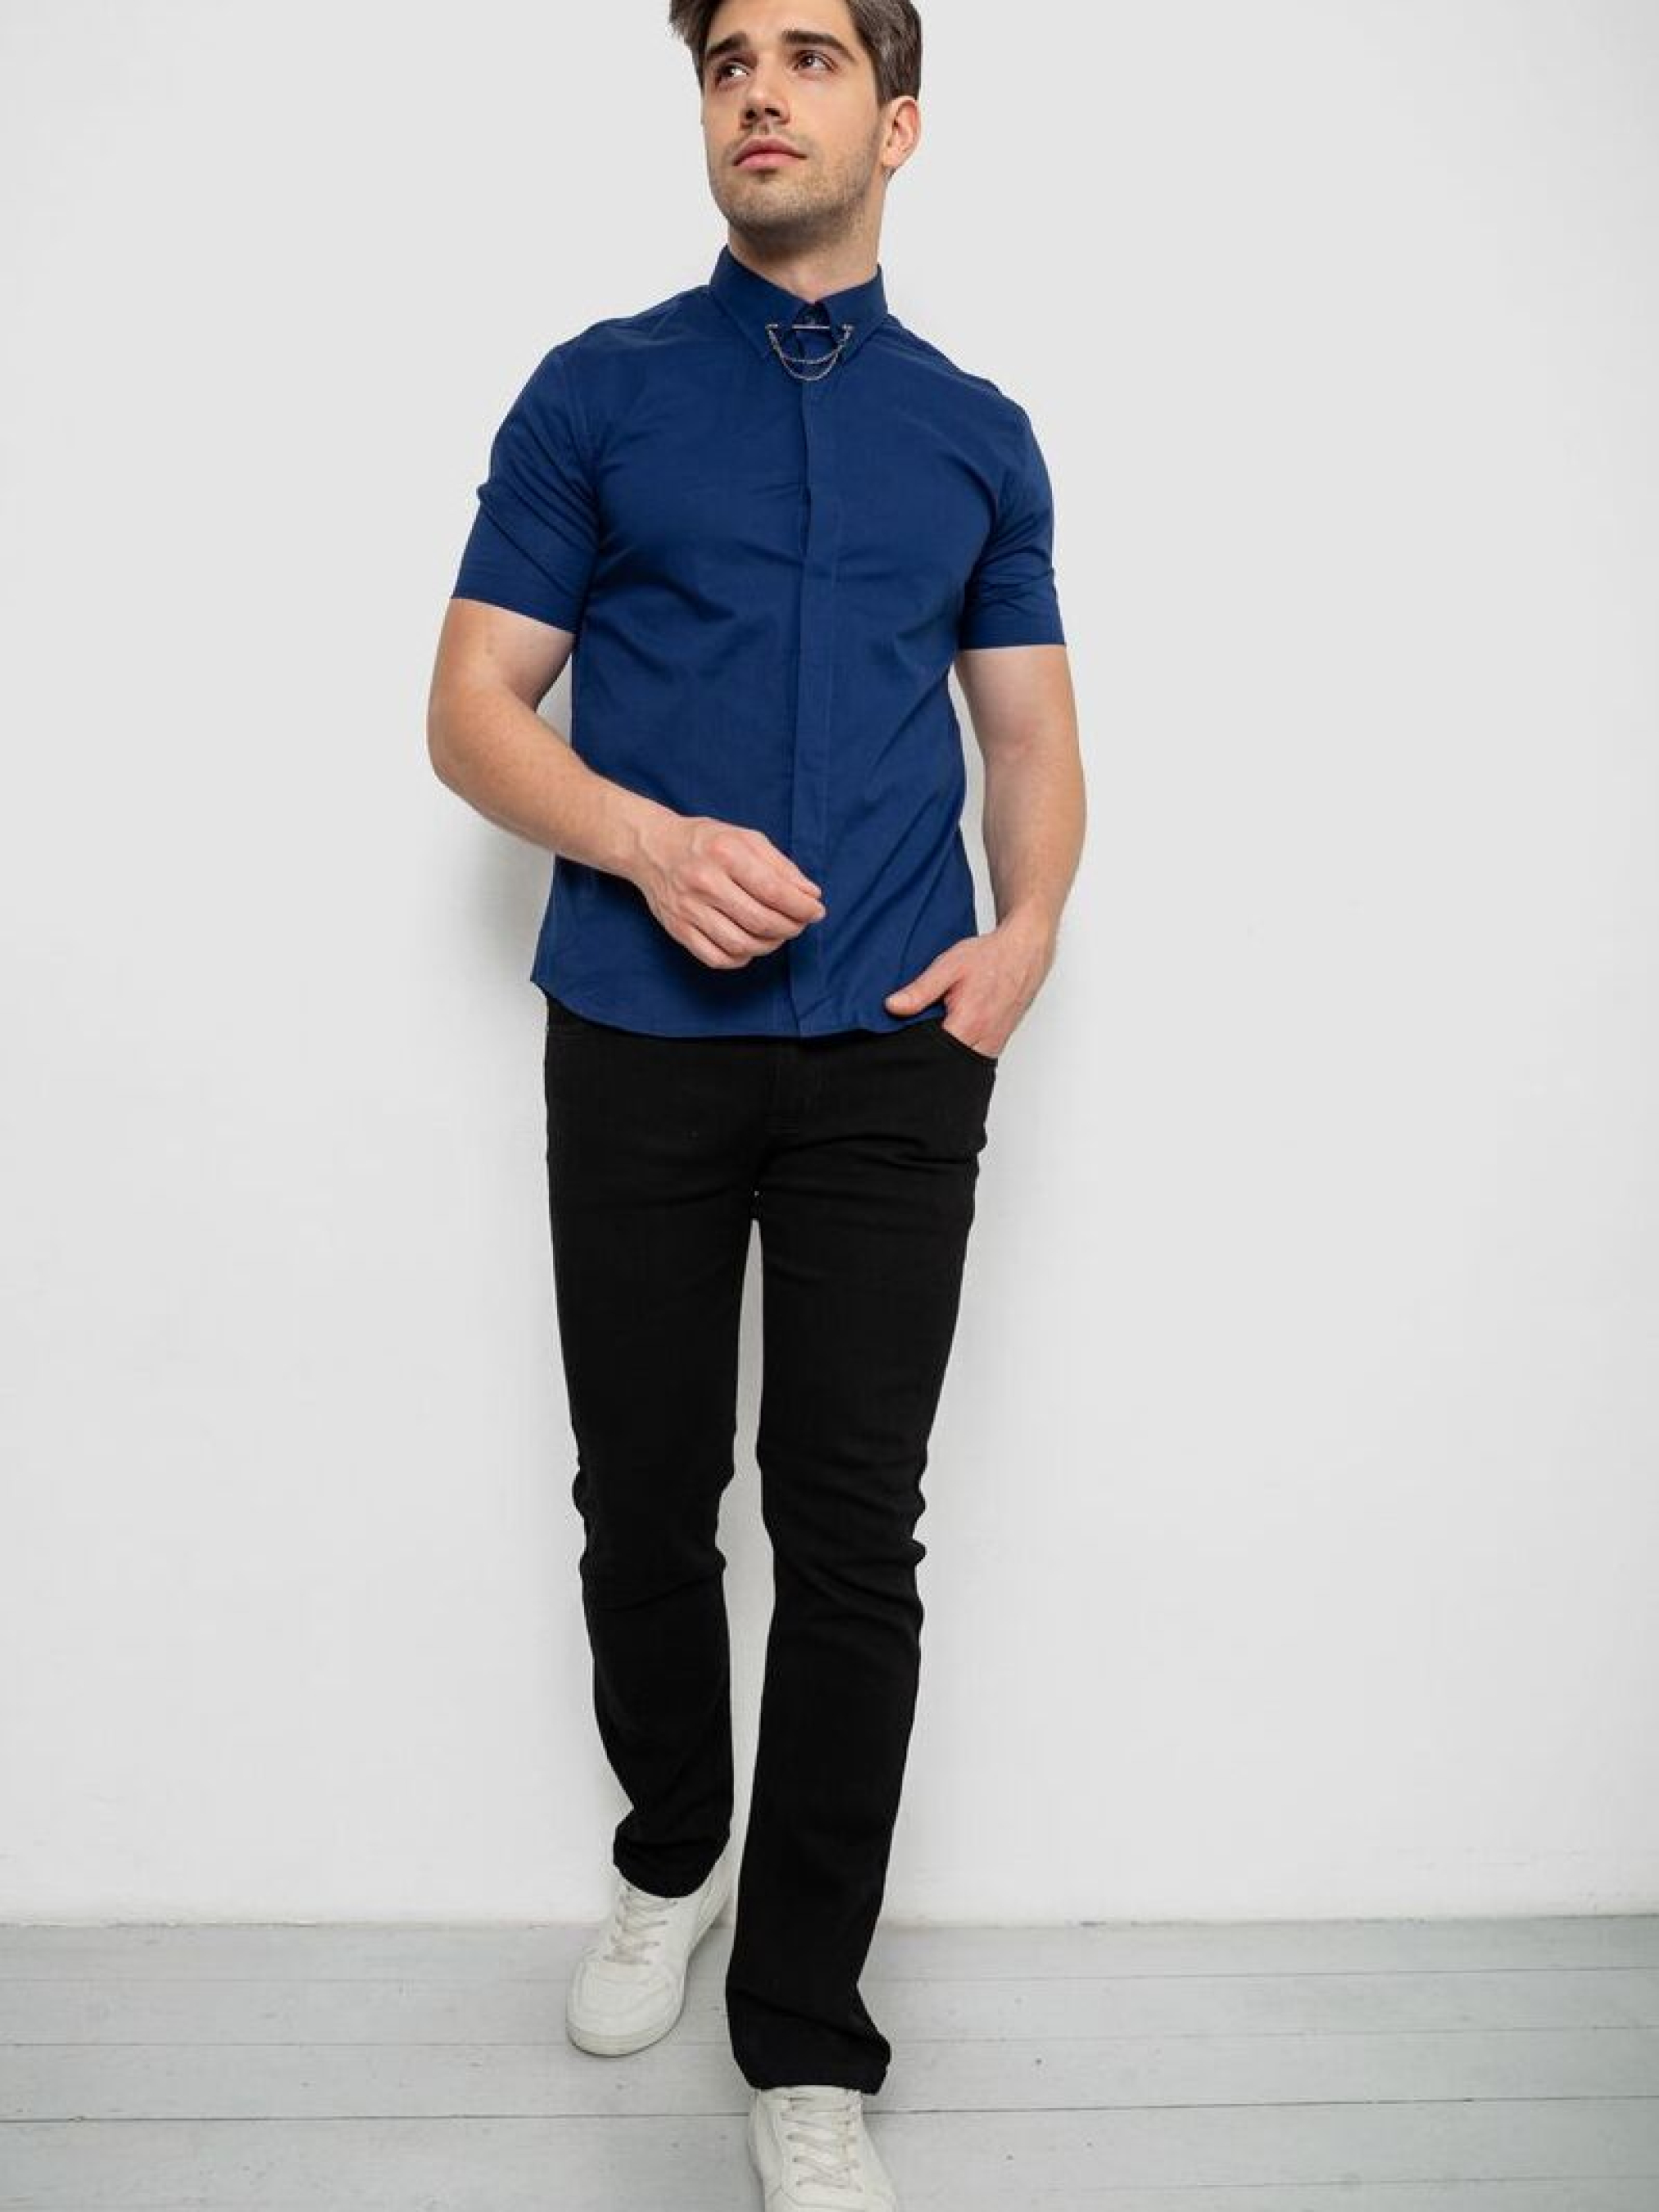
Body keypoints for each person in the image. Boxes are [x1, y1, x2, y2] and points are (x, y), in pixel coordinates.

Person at [426, 2, 1084, 2203]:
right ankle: (670, 1849)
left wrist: (1026, 934)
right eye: (727, 64)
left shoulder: (976, 435)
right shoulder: (594, 393)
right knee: (641, 1499)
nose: (761, 92)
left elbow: (1027, 734)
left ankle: (805, 2037)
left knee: (850, 1533)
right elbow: (471, 706)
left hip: (895, 1049)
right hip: (635, 1036)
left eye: (809, 57)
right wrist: (638, 839)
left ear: (897, 122)